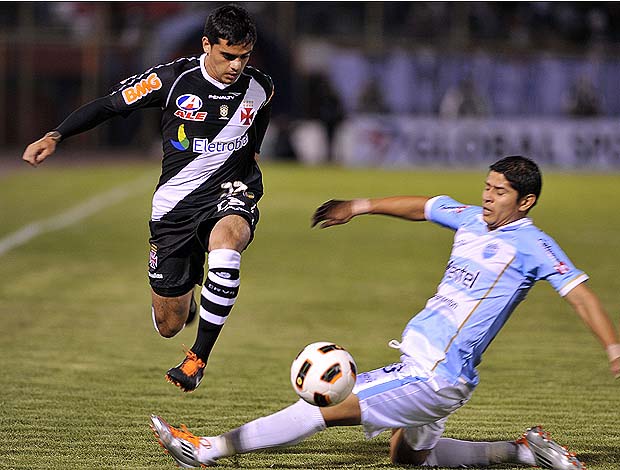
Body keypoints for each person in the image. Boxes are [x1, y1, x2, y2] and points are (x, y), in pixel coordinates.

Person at [150, 156, 620, 468]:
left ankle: (207, 449)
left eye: (499, 192)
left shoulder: (534, 245)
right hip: (439, 371)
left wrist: (614, 349)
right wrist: (359, 205)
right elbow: (425, 206)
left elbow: (579, 293)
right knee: (408, 456)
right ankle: (521, 451)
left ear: (526, 201)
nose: (488, 197)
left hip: (433, 372)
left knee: (321, 406)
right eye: (487, 186)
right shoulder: (474, 219)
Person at [21, 4, 274, 393]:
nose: (237, 65)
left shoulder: (261, 89)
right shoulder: (171, 80)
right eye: (228, 55)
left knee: (228, 242)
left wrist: (244, 182)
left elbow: (252, 145)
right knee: (169, 324)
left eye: (244, 56)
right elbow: (109, 105)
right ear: (207, 45)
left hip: (230, 193)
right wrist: (56, 135)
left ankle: (198, 358)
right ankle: (185, 301)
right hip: (174, 208)